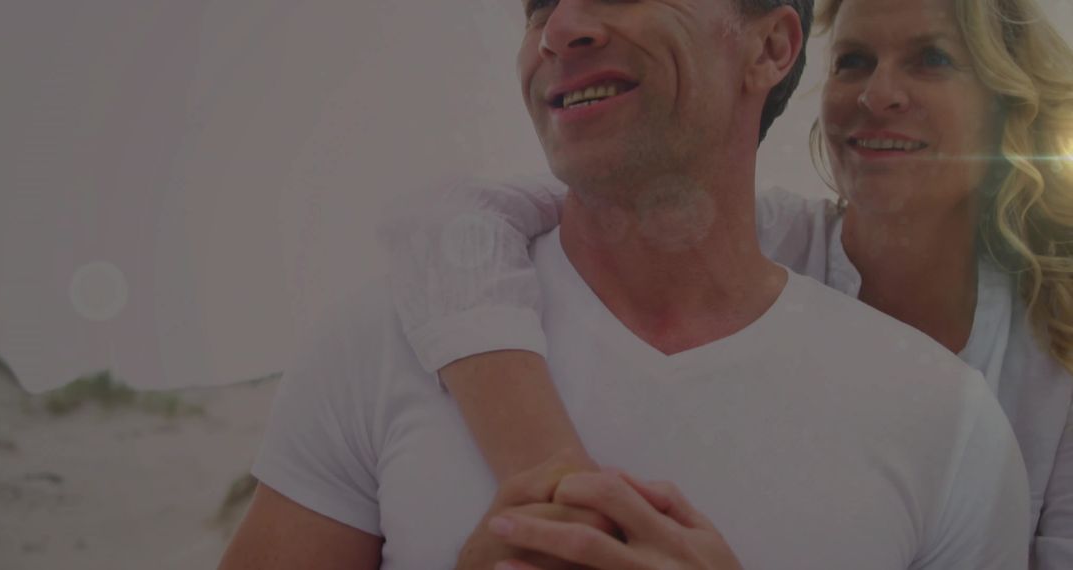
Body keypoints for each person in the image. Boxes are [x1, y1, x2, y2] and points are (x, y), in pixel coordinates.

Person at [221, 0, 1030, 567]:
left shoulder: (947, 423)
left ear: (770, 49)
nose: (559, 29)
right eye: (538, 6)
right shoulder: (382, 343)